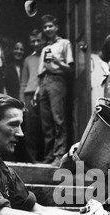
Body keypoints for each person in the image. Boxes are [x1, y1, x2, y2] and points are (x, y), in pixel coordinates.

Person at [37, 15, 74, 166]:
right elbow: (40, 72)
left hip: (58, 81)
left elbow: (70, 69)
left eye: (50, 26)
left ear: (56, 27)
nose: (48, 29)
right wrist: (38, 91)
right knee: (46, 123)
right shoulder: (45, 48)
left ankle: (59, 155)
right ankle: (49, 156)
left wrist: (58, 61)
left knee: (59, 119)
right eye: (45, 27)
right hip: (44, 83)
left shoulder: (64, 43)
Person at [20, 29, 44, 163]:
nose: (36, 43)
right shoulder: (28, 59)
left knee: (45, 127)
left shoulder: (47, 56)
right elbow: (23, 83)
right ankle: (32, 159)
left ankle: (45, 158)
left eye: (38, 40)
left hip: (44, 95)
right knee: (30, 129)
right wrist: (21, 102)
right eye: (33, 41)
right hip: (29, 96)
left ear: (43, 40)